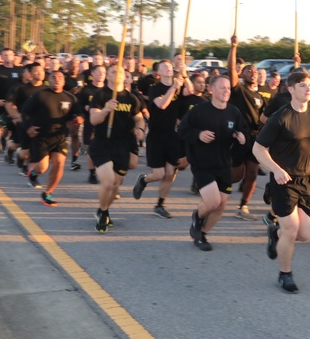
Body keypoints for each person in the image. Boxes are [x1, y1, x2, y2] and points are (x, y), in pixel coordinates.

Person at [252, 70, 310, 293]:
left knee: (304, 234)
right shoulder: (281, 117)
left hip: (307, 179)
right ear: (291, 90)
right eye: (302, 86)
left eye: (309, 85)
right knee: (292, 229)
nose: (308, 89)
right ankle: (285, 274)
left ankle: (274, 233)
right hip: (284, 180)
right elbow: (258, 149)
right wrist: (276, 170)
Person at [178, 75, 248, 251]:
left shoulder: (234, 112)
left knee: (221, 206)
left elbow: (243, 131)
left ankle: (202, 235)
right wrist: (198, 135)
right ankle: (198, 216)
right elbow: (182, 130)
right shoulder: (199, 111)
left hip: (224, 163)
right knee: (213, 202)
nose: (226, 91)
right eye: (222, 87)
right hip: (202, 163)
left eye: (228, 88)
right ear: (211, 90)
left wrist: (241, 137)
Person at [132, 60, 192, 218]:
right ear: (158, 72)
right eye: (165, 66)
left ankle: (160, 204)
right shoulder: (155, 89)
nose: (169, 68)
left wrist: (184, 75)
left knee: (170, 172)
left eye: (170, 66)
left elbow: (190, 91)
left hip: (172, 135)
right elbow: (162, 105)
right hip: (156, 135)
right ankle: (144, 180)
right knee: (159, 174)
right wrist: (174, 87)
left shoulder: (178, 86)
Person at [92, 65, 146, 233]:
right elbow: (93, 119)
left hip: (122, 144)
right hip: (102, 143)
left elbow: (138, 119)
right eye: (114, 71)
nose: (117, 74)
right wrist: (106, 109)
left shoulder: (131, 98)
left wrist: (140, 129)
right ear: (107, 75)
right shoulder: (100, 95)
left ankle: (104, 210)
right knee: (108, 183)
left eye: (120, 72)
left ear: (125, 77)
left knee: (115, 185)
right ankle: (102, 213)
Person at [20, 70, 83, 206]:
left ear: (64, 81)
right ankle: (33, 172)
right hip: (41, 137)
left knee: (59, 162)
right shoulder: (39, 96)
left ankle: (47, 193)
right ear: (49, 80)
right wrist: (29, 127)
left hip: (59, 137)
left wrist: (78, 118)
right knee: (42, 168)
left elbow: (78, 113)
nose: (57, 80)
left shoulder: (70, 98)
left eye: (60, 77)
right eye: (53, 77)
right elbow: (25, 113)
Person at [227, 36, 266, 221]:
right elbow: (230, 71)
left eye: (256, 71)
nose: (253, 73)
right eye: (249, 71)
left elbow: (265, 118)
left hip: (255, 137)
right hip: (238, 136)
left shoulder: (259, 96)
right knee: (236, 175)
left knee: (252, 172)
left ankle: (243, 206)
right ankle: (218, 187)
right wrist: (233, 48)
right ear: (242, 74)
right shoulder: (238, 90)